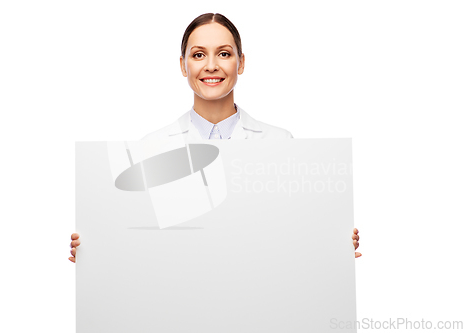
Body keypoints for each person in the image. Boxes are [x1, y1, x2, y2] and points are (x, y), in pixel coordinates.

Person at [69, 13, 361, 262]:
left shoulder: (280, 143)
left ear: (241, 63)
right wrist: (94, 250)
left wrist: (333, 242)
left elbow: (295, 231)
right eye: (198, 55)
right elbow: (140, 238)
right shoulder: (151, 148)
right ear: (183, 65)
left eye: (224, 53)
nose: (211, 65)